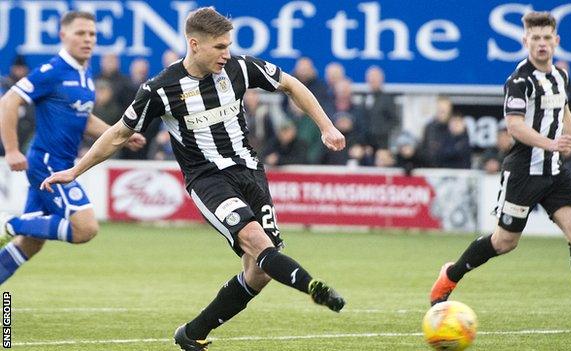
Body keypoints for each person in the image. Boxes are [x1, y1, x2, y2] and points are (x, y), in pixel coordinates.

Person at [41, 7, 347, 350]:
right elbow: (117, 134)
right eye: (219, 47)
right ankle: (313, 287)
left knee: (259, 271)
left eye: (228, 45)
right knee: (257, 242)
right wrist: (75, 169)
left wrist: (327, 126)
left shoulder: (240, 67)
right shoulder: (160, 89)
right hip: (208, 180)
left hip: (251, 173)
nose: (226, 54)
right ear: (194, 44)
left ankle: (192, 332)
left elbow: (291, 84)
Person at [429, 11, 571, 330]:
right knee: (505, 241)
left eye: (547, 38)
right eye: (536, 38)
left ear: (556, 41)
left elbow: (564, 111)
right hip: (523, 172)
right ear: (525, 41)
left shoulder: (560, 77)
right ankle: (450, 274)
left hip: (555, 171)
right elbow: (515, 127)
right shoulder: (519, 81)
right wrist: (551, 144)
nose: (542, 44)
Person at [0, 11, 145, 284]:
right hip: (48, 164)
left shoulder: (84, 73)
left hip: (59, 164)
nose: (88, 39)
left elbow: (82, 117)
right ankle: (7, 222)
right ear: (63, 35)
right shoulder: (52, 71)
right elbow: (9, 101)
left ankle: (12, 227)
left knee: (30, 243)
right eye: (80, 33)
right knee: (85, 228)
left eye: (92, 34)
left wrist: (121, 134)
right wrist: (11, 149)